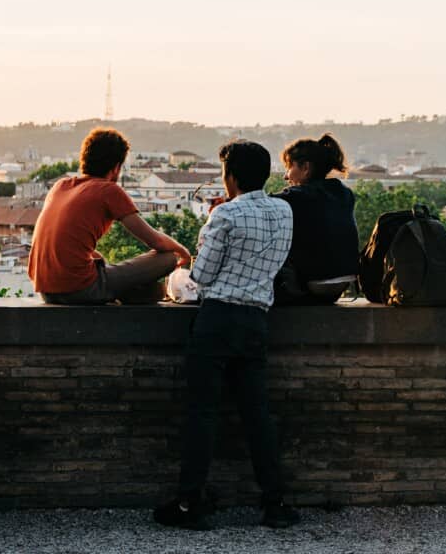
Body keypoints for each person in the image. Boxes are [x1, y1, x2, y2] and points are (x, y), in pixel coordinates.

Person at [154, 141, 300, 531]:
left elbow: (201, 275)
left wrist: (211, 225)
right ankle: (276, 502)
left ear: (230, 176)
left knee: (202, 414)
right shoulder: (285, 211)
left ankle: (190, 502)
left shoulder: (225, 216)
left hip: (218, 318)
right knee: (257, 415)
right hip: (256, 320)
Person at [30, 127, 192, 304]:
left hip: (46, 290)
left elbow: (67, 243)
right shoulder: (108, 190)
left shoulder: (60, 186)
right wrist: (183, 251)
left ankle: (125, 291)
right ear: (116, 167)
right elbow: (156, 241)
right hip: (79, 289)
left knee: (149, 290)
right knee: (167, 258)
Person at [272, 134, 359, 305]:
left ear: (305, 168)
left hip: (311, 286)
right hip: (341, 285)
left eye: (289, 167)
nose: (286, 176)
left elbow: (256, 205)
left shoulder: (297, 196)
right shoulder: (344, 193)